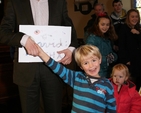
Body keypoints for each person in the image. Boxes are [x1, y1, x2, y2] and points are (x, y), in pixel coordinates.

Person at [0, 0, 78, 113]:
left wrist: (71, 49)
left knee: (54, 109)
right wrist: (23, 39)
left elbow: (70, 30)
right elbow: (3, 32)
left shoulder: (59, 2)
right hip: (26, 69)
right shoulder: (15, 2)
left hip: (53, 68)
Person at [31, 44, 116, 113]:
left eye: (94, 60)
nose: (91, 65)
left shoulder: (107, 85)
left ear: (100, 60)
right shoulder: (77, 78)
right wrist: (41, 53)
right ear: (81, 66)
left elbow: (112, 108)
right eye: (86, 63)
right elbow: (58, 69)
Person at [85, 12, 118, 78]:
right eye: (102, 24)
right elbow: (90, 57)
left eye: (107, 25)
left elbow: (111, 53)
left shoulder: (106, 37)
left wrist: (114, 56)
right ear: (97, 25)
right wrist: (107, 59)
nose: (105, 27)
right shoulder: (92, 38)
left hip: (107, 70)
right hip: (97, 72)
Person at [118, 9, 141, 91]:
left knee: (137, 86)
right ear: (128, 18)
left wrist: (138, 34)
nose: (135, 18)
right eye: (132, 17)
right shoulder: (124, 29)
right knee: (130, 86)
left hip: (139, 62)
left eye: (136, 16)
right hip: (130, 63)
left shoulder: (139, 28)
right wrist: (126, 60)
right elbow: (121, 46)